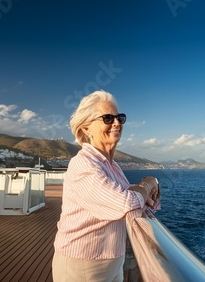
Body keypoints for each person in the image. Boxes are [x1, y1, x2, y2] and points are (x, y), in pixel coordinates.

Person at [52, 90, 160, 282]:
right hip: (83, 265)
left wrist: (147, 189)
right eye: (108, 118)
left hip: (112, 261)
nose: (117, 123)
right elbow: (125, 202)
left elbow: (138, 201)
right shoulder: (83, 164)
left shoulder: (111, 165)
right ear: (86, 129)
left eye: (120, 117)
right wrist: (148, 182)